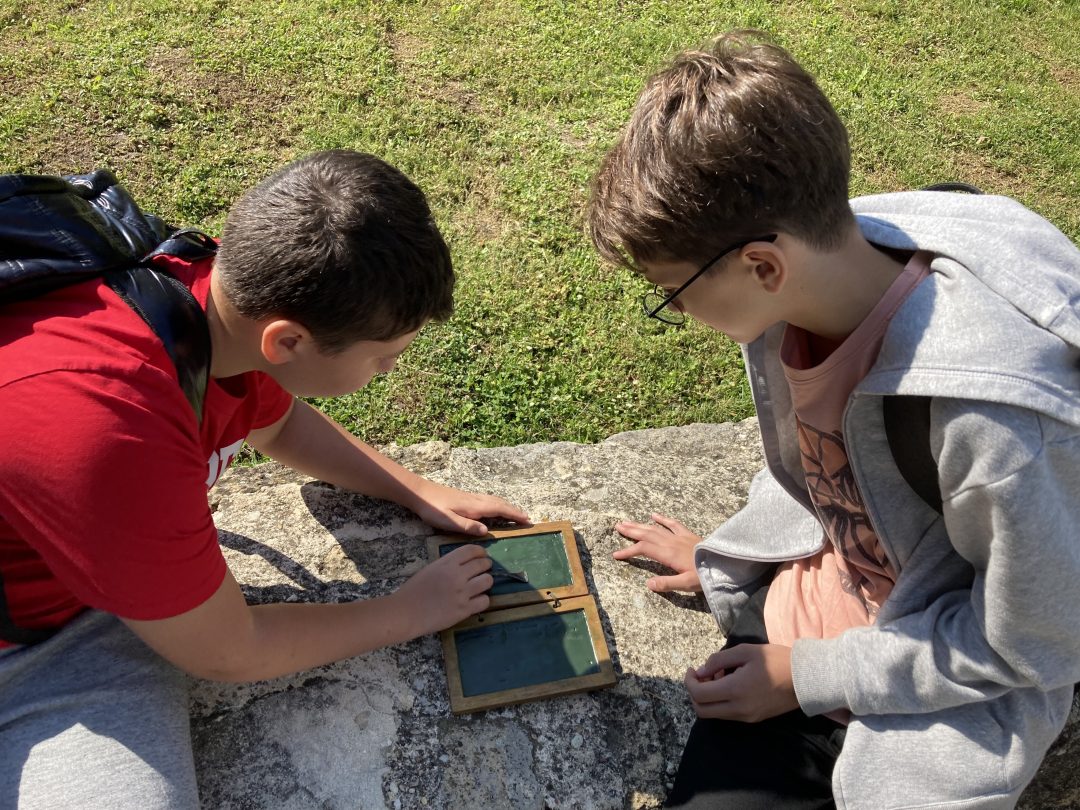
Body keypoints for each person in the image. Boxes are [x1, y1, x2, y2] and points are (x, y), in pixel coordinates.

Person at [586, 30, 1080, 810]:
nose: (677, 311)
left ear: (763, 266)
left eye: (671, 292)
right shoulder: (821, 280)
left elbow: (1031, 645)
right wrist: (728, 556)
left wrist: (806, 676)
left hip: (930, 683)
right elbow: (830, 464)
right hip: (800, 629)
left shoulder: (994, 427)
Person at [0, 149, 529, 809]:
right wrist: (408, 612)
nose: (391, 373)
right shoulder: (110, 428)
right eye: (385, 357)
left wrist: (412, 488)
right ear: (288, 342)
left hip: (79, 591)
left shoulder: (206, 292)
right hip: (38, 649)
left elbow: (276, 423)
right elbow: (229, 650)